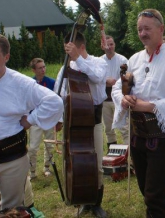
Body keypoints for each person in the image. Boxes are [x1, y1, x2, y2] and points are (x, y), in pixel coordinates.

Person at [112, 9, 165, 218]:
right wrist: (124, 98)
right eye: (140, 29)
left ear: (161, 29)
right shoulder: (135, 59)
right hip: (137, 134)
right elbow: (117, 87)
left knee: (154, 195)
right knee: (146, 192)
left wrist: (148, 106)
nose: (143, 33)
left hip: (161, 137)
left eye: (147, 28)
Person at [0, 33, 63, 210]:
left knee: (12, 211)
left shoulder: (21, 83)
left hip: (11, 159)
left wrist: (31, 119)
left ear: (6, 57)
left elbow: (54, 102)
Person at [54, 31, 108, 218]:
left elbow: (98, 78)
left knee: (97, 164)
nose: (69, 53)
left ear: (81, 46)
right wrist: (59, 119)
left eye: (72, 49)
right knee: (76, 163)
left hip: (92, 120)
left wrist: (78, 59)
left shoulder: (98, 62)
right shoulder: (66, 67)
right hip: (72, 121)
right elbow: (59, 93)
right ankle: (84, 200)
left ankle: (96, 202)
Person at [28, 58, 62, 179]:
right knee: (33, 147)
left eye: (44, 67)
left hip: (49, 119)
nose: (43, 70)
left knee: (50, 145)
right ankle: (32, 172)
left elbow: (58, 102)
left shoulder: (52, 83)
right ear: (33, 70)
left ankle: (47, 167)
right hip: (35, 120)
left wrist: (59, 120)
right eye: (40, 68)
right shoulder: (30, 84)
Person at [101, 35, 129, 148]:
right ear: (103, 46)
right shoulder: (99, 61)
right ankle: (112, 153)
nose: (109, 47)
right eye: (107, 45)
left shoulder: (123, 60)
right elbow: (95, 79)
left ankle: (128, 156)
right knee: (108, 128)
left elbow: (128, 79)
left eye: (111, 44)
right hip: (105, 99)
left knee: (124, 129)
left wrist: (115, 82)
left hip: (119, 98)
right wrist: (106, 80)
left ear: (114, 44)